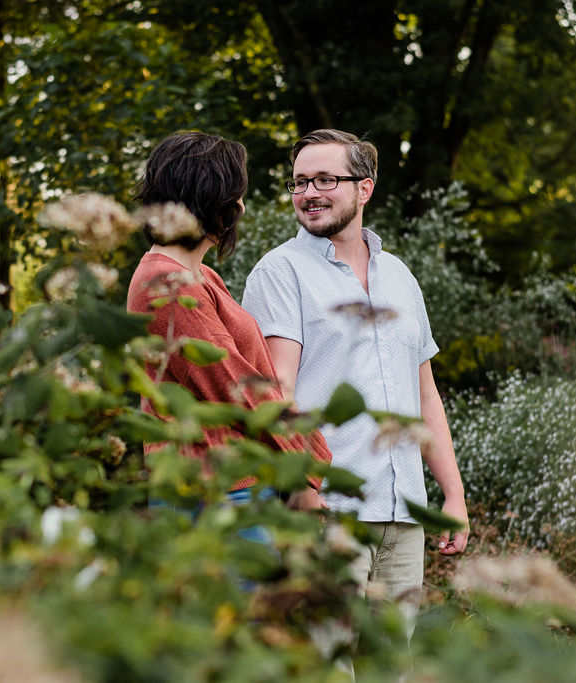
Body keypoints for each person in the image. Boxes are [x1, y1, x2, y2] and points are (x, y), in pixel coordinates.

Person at [241, 129, 469, 616]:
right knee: (327, 659)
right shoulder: (279, 272)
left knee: (393, 662)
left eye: (325, 179)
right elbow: (276, 391)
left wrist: (452, 493)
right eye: (300, 182)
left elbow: (425, 394)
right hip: (329, 510)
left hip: (403, 509)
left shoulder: (400, 276)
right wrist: (302, 490)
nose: (308, 194)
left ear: (364, 188)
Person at [126, 131, 332, 512]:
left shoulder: (201, 276)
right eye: (237, 194)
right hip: (211, 492)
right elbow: (234, 384)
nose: (241, 205)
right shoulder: (164, 285)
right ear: (212, 199)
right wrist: (307, 462)